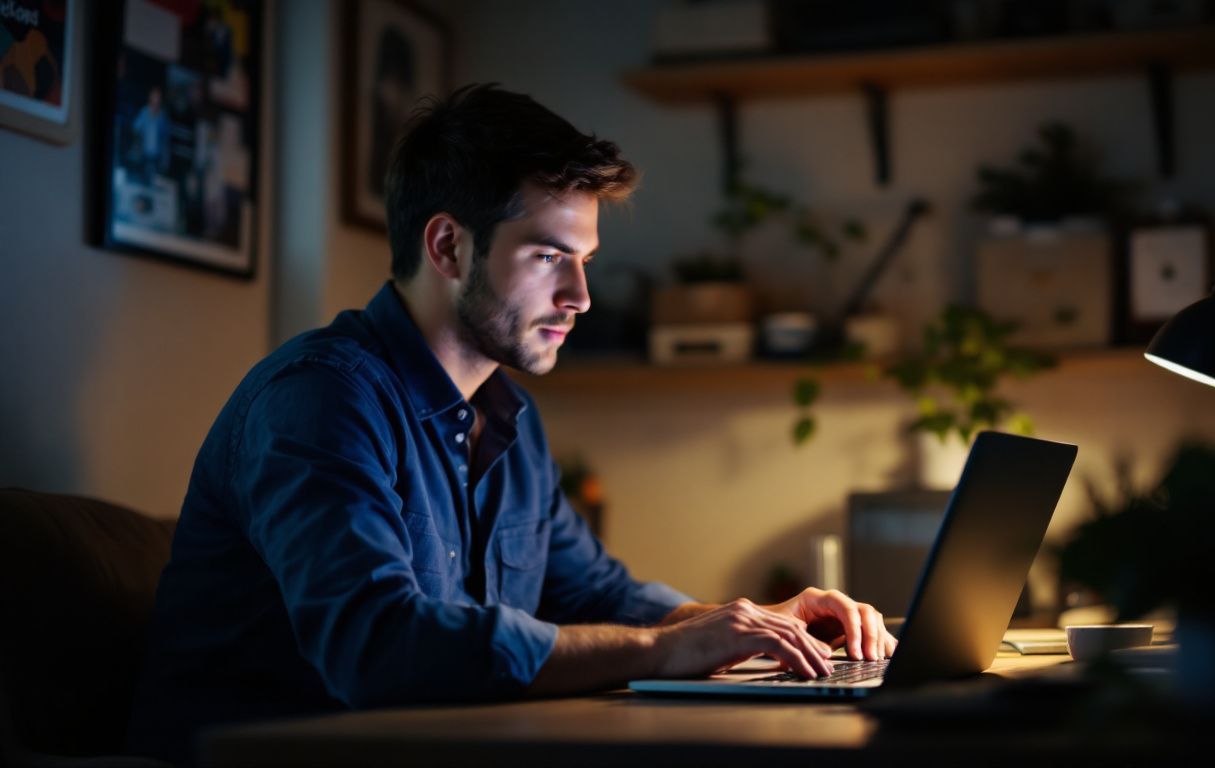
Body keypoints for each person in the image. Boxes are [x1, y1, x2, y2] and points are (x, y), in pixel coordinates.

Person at [126, 84, 896, 765]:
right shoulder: (320, 400)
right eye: (549, 257)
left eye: (585, 260)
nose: (581, 296)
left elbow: (597, 591)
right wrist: (669, 647)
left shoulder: (508, 421)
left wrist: (750, 624)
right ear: (448, 246)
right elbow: (380, 648)